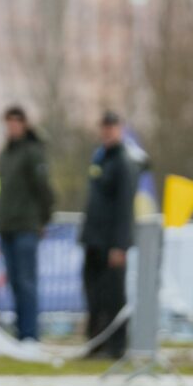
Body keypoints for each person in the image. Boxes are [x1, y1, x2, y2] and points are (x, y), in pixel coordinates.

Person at [80, 111, 139, 359]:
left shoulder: (125, 162)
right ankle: (96, 343)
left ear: (120, 129)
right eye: (104, 127)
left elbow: (125, 208)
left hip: (111, 242)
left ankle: (117, 347)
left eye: (112, 127)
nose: (107, 132)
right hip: (93, 239)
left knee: (114, 296)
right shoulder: (100, 158)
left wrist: (120, 245)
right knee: (94, 296)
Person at [0, 106, 53, 346]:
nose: (12, 127)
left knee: (27, 282)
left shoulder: (32, 152)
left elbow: (44, 190)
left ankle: (30, 334)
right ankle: (21, 332)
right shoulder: (6, 154)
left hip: (27, 226)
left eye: (16, 122)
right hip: (7, 226)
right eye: (8, 123)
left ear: (24, 124)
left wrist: (42, 219)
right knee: (16, 282)